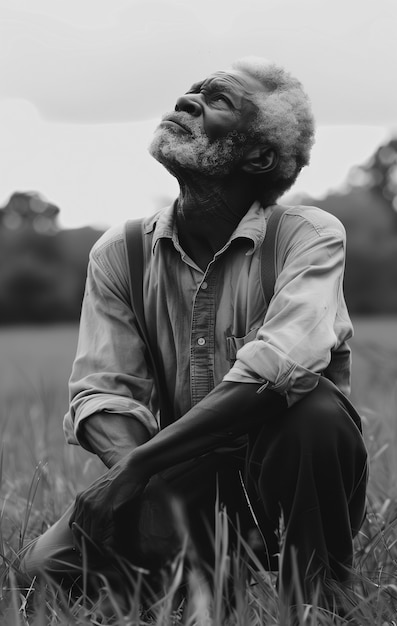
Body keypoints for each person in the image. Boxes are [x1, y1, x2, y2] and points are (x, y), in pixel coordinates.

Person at [19, 56, 368, 611]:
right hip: (182, 466)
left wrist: (142, 466)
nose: (186, 103)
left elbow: (281, 368)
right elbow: (102, 391)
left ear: (259, 154)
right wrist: (149, 490)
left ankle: (318, 596)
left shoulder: (309, 236)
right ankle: (202, 564)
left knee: (314, 412)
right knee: (45, 572)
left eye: (218, 100)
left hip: (283, 467)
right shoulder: (120, 253)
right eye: (190, 92)